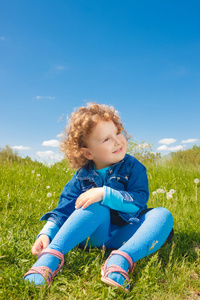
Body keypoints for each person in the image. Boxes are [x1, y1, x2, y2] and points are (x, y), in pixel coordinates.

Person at [24, 103, 173, 291]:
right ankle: (50, 257)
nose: (118, 141)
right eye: (106, 139)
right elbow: (63, 209)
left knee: (163, 215)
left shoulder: (133, 167)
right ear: (88, 153)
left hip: (127, 233)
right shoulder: (81, 176)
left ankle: (121, 258)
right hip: (94, 236)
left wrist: (105, 193)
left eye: (118, 132)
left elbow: (138, 202)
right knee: (93, 204)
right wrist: (46, 234)